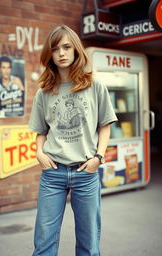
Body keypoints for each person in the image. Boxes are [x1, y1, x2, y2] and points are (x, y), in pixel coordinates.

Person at [29, 24, 117, 256]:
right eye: (56, 48)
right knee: (43, 242)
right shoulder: (44, 91)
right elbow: (41, 130)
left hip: (86, 172)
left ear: (76, 50)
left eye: (67, 47)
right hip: (53, 173)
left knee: (89, 243)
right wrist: (39, 153)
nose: (62, 53)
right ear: (50, 54)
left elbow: (105, 126)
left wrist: (98, 157)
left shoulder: (94, 85)